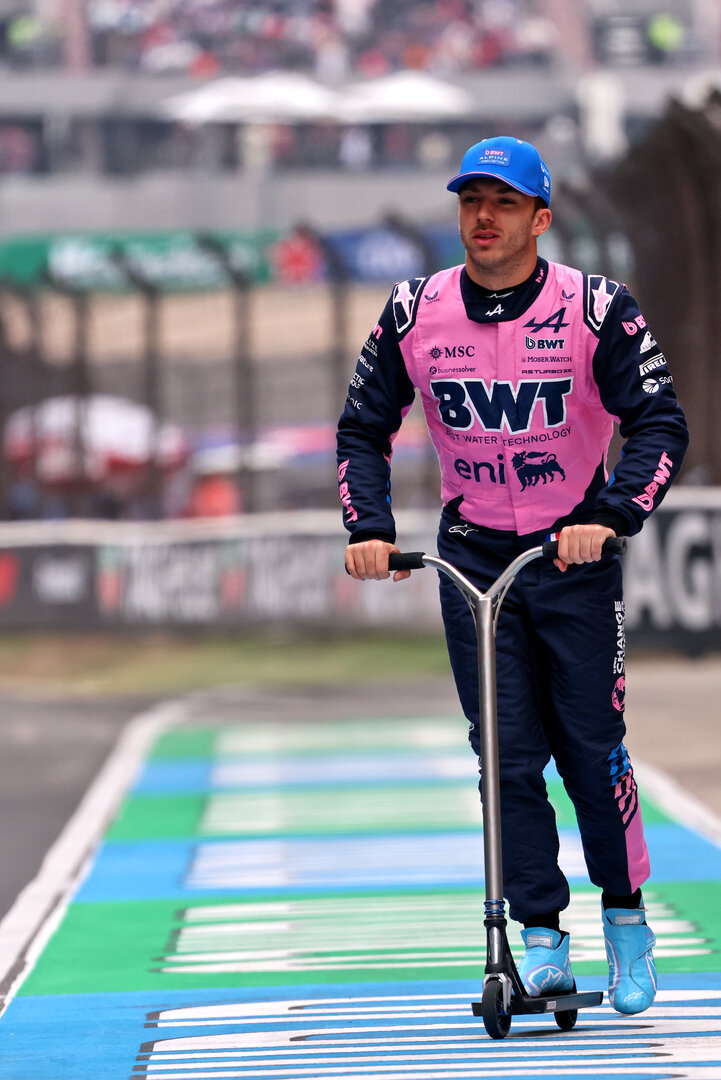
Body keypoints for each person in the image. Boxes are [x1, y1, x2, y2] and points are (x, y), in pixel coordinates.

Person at [336, 135, 689, 1014]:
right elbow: (361, 430)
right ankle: (538, 938)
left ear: (539, 218)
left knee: (588, 748)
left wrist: (607, 520)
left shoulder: (598, 311)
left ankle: (624, 917)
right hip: (473, 554)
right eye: (468, 202)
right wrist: (369, 529)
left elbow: (659, 427)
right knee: (503, 757)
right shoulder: (414, 311)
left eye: (500, 203)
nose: (481, 219)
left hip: (570, 555)